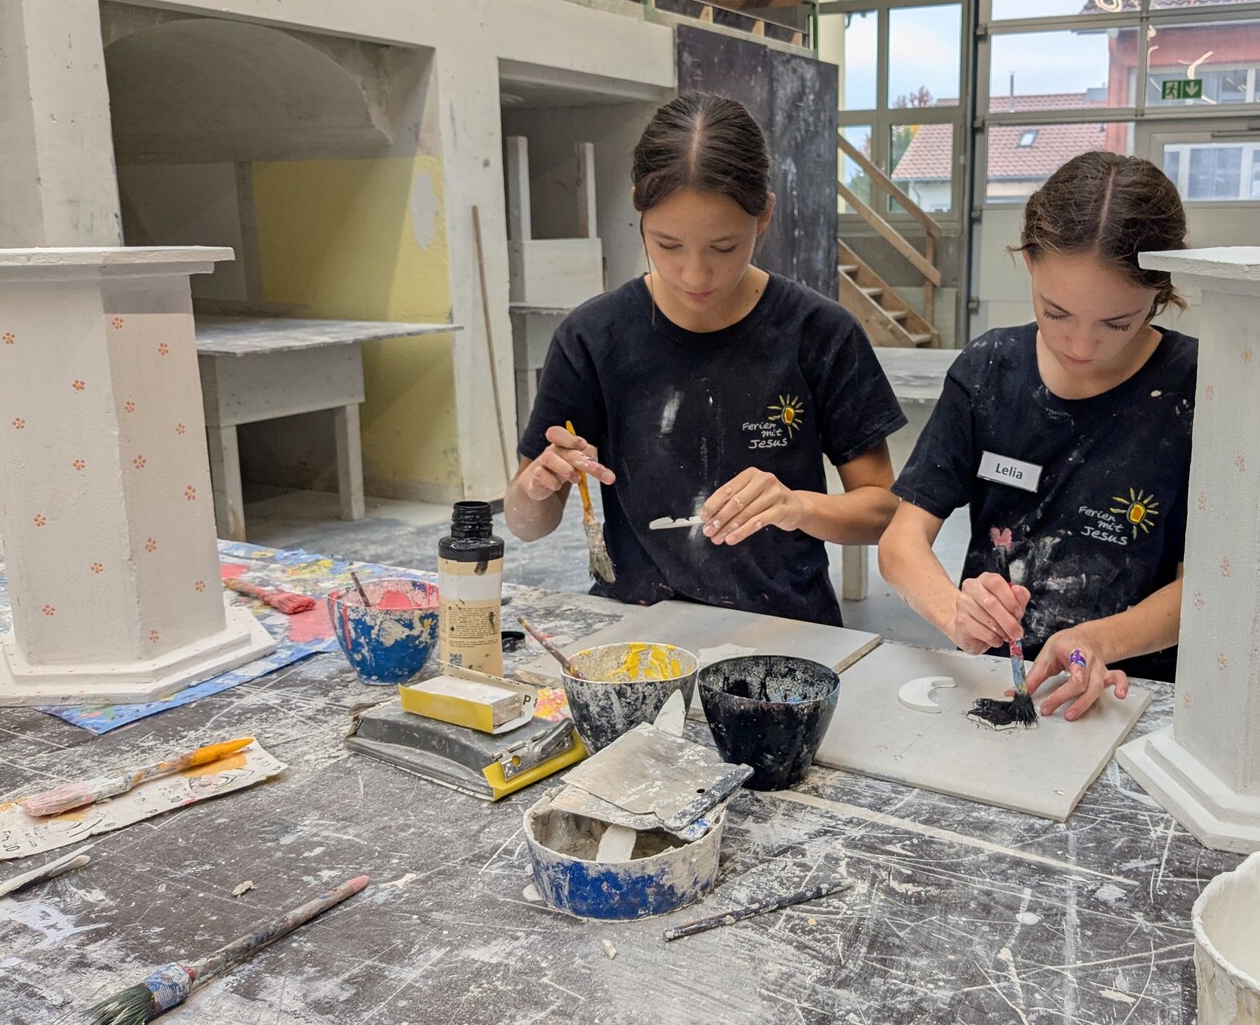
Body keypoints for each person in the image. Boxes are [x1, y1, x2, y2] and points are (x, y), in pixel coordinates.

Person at [504, 92, 906, 627]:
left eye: (723, 248)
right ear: (639, 210)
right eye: (668, 245)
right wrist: (536, 488)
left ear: (763, 214)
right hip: (639, 630)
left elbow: (881, 510)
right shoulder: (594, 337)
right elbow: (527, 524)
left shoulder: (818, 333)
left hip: (786, 629)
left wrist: (798, 507)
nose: (695, 276)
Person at [879, 151, 1195, 720]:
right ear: (1028, 259)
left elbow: (1205, 585)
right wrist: (954, 610)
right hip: (996, 683)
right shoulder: (988, 371)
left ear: (1161, 288)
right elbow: (901, 544)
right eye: (1056, 312)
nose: (1079, 344)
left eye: (1117, 323)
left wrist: (1100, 640)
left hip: (1135, 696)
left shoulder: (1195, 389)